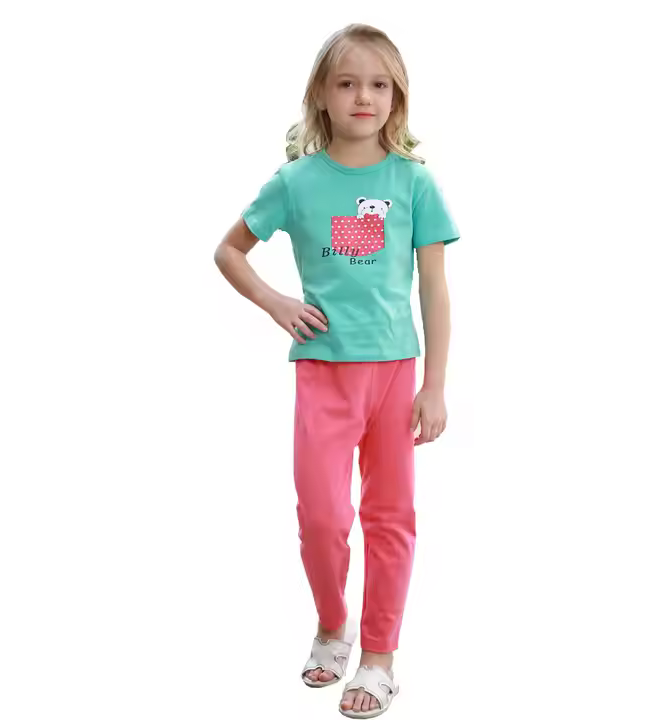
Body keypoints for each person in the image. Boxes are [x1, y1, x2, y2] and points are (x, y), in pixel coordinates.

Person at [214, 23, 460, 718]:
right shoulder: (295, 182)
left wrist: (435, 385)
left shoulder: (414, 183)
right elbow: (229, 251)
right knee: (322, 517)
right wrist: (275, 303)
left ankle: (379, 657)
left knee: (390, 517)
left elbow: (434, 288)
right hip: (323, 370)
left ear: (397, 97)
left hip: (395, 374)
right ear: (321, 94)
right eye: (347, 83)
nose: (363, 97)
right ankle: (331, 624)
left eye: (379, 85)